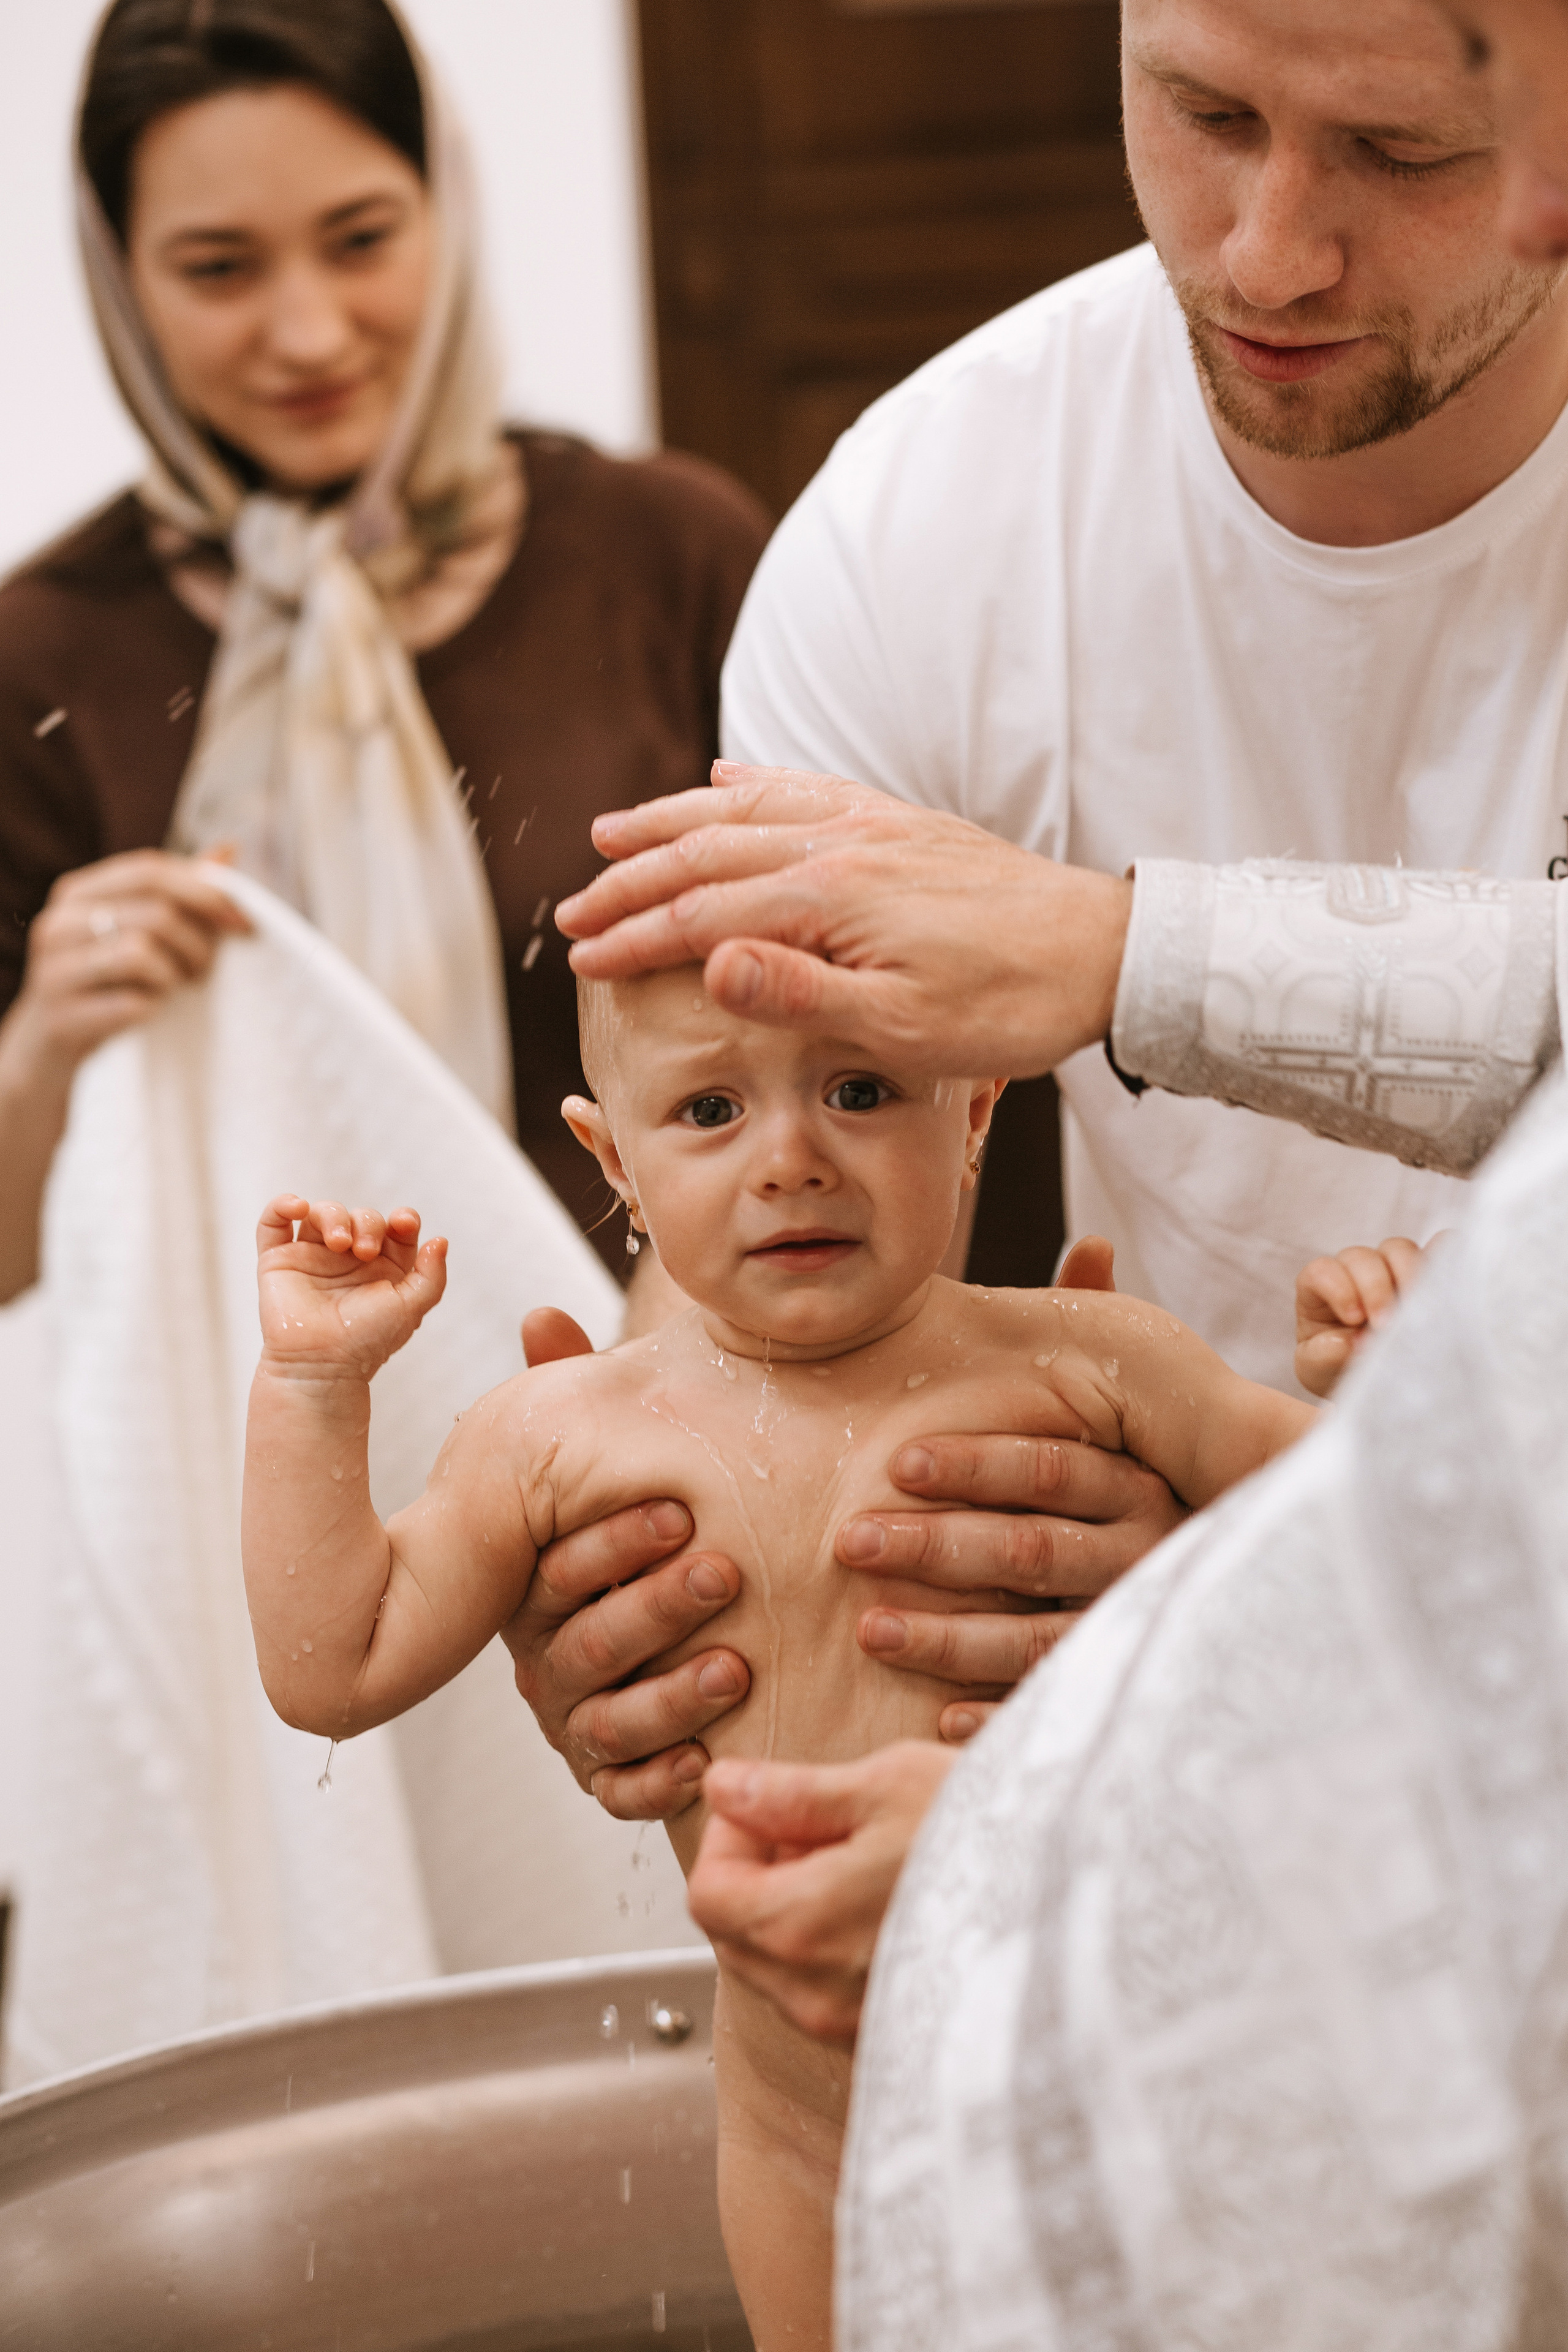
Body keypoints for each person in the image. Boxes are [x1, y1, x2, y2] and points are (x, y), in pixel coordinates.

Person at [238, 961, 1313, 2352]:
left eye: (861, 1091)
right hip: (802, 2136)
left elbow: (1367, 1542)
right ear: (610, 1156)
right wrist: (315, 1390)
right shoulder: (552, 1434)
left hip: (1117, 2068)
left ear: (974, 1106)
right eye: (707, 1109)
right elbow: (332, 1665)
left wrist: (1391, 1372)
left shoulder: (1094, 1365)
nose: (792, 1160)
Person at [556, 0, 1568, 1412]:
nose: (1269, 257)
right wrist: (657, 1477)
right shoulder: (914, 524)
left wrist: (1126, 956)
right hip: (1197, 1573)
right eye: (1205, 115)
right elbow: (777, 1240)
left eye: (1399, 152)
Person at [0, 0, 771, 1313]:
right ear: (120, 274)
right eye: (218, 269)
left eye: (360, 241)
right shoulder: (44, 656)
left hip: (686, 1425)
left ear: (444, 210)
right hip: (248, 1462)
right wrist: (41, 1050)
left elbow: (853, 1051)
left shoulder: (669, 556)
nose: (306, 334)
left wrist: (650, 1406)